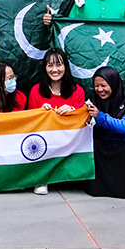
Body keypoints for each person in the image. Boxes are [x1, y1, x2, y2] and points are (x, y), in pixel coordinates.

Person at [26, 47, 86, 194]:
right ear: (45, 68)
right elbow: (29, 123)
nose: (54, 70)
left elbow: (83, 123)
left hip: (69, 141)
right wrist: (41, 113)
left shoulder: (77, 91)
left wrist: (73, 111)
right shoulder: (35, 91)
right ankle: (41, 178)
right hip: (44, 142)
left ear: (65, 67)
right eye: (50, 65)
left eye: (59, 65)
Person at [85, 66, 125, 198]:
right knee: (92, 146)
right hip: (103, 142)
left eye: (103, 85)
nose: (99, 90)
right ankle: (97, 187)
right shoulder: (92, 99)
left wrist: (100, 116)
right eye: (96, 86)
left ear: (113, 83)